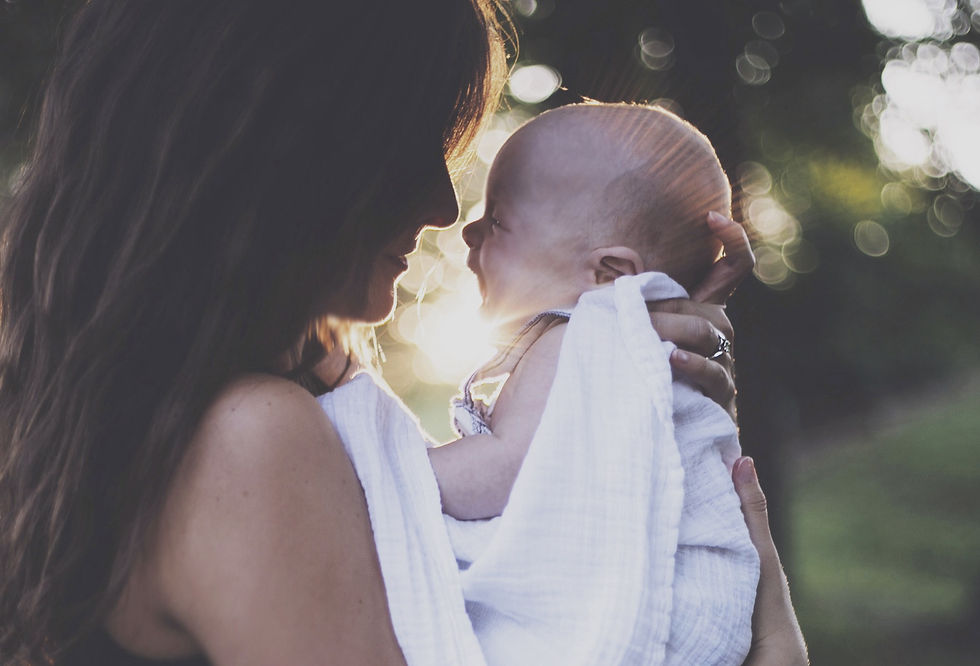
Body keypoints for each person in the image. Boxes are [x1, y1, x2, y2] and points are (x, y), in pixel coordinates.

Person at [0, 2, 806, 665]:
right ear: (291, 150)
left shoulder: (109, 413)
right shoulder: (255, 438)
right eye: (409, 150)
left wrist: (632, 360)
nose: (443, 209)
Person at [417, 103, 754, 664]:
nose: (468, 231)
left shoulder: (576, 335)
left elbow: (503, 472)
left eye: (497, 219)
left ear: (608, 276)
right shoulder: (629, 351)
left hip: (662, 619)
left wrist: (379, 463)